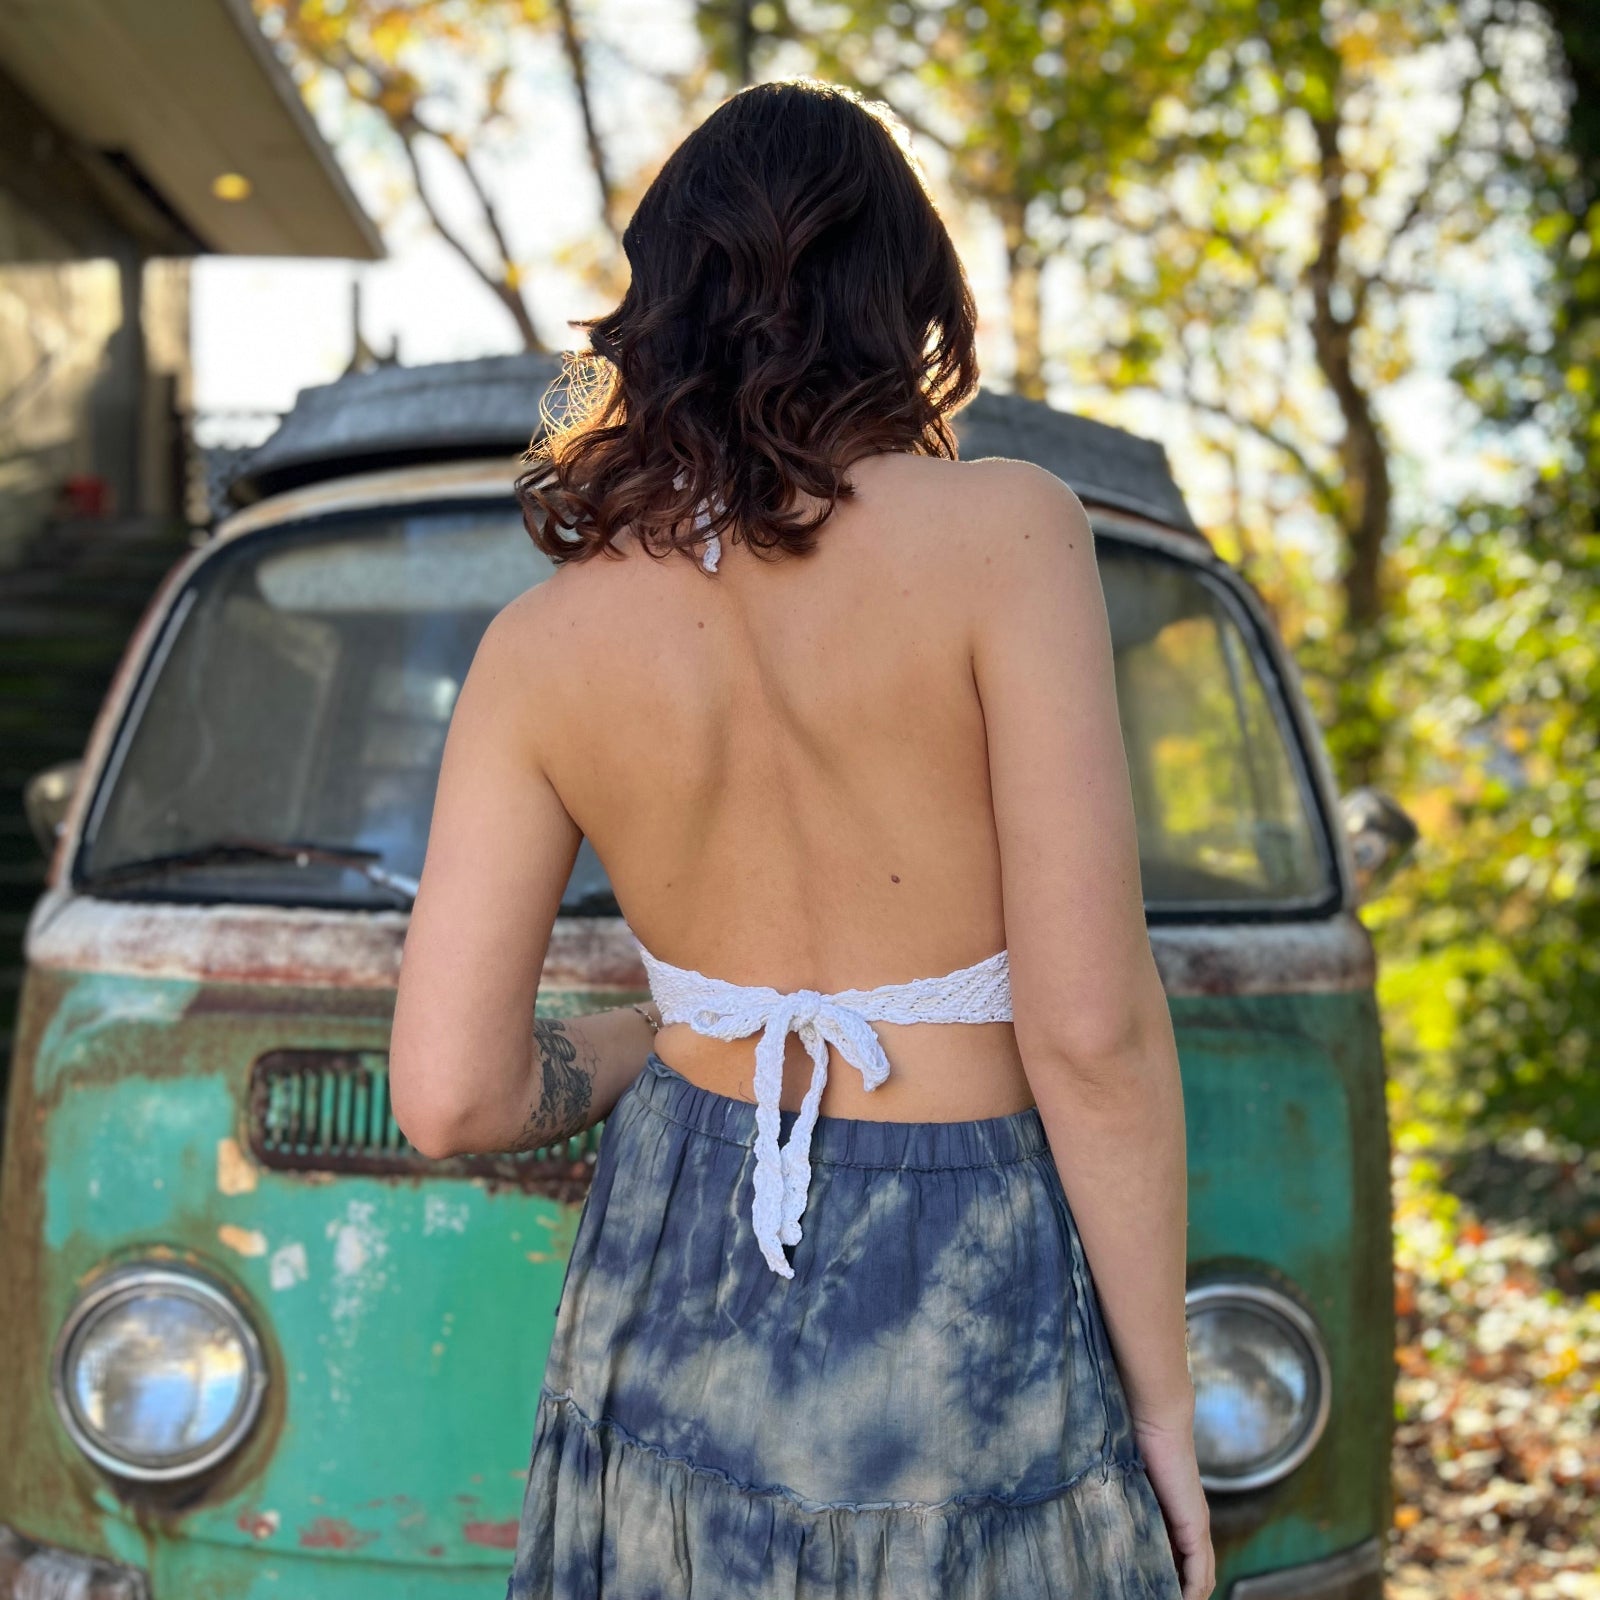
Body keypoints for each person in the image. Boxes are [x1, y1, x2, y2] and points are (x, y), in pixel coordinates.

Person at [390, 77, 1212, 1600]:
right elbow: (1089, 1031)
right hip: (968, 1268)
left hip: (674, 1265)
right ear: (909, 299)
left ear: (658, 312)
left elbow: (448, 1097)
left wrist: (670, 1031)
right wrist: (1162, 1409)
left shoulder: (539, 645)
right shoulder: (1011, 537)